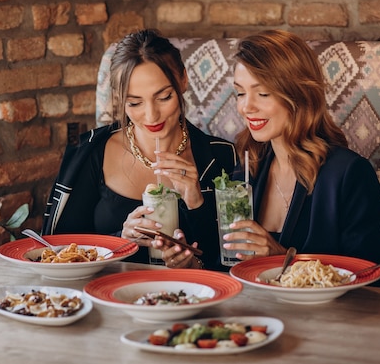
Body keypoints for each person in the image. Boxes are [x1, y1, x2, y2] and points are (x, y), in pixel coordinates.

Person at [42, 29, 237, 269]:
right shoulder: (89, 152)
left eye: (164, 97)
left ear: (183, 81)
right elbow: (56, 253)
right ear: (118, 96)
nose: (151, 115)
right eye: (134, 103)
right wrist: (119, 241)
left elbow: (236, 265)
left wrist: (197, 207)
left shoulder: (223, 157)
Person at [224, 29, 380, 286]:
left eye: (263, 93)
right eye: (240, 92)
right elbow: (228, 269)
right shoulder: (248, 167)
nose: (246, 107)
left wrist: (283, 260)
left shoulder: (349, 174)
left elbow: (372, 280)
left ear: (298, 94)